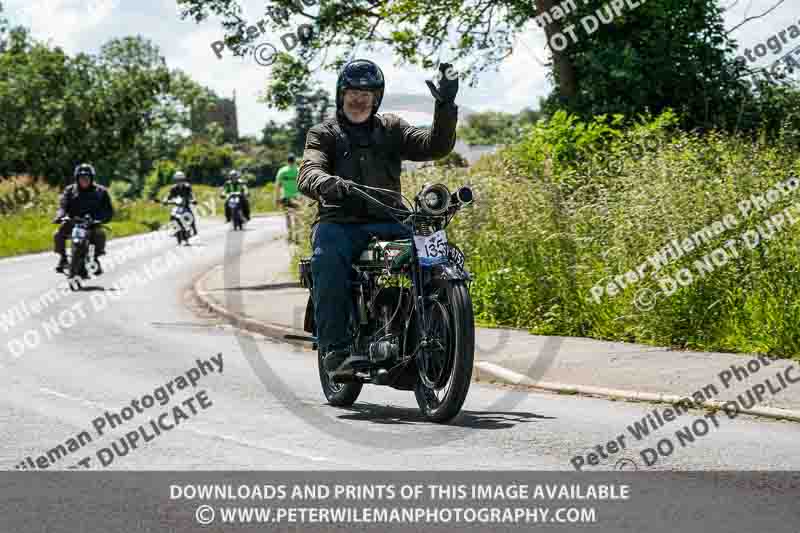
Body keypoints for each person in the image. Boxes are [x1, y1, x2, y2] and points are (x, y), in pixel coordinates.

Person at [298, 58, 459, 379]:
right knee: (327, 259)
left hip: (389, 220)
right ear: (341, 95)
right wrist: (325, 182)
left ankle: (434, 326)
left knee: (433, 250)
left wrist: (445, 105)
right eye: (353, 92)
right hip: (339, 223)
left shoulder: (392, 129)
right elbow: (308, 170)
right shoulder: (324, 133)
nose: (359, 99)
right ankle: (337, 351)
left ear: (377, 98)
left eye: (367, 93)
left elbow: (435, 145)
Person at [53, 163, 114, 275]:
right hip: (73, 222)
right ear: (77, 178)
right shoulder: (70, 190)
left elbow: (108, 210)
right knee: (58, 234)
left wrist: (100, 219)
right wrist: (60, 216)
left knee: (100, 234)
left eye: (87, 177)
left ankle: (94, 258)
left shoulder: (101, 192)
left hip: (92, 223)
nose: (84, 180)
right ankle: (63, 258)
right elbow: (63, 206)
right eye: (81, 177)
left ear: (91, 178)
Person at [163, 171, 198, 236]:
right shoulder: (173, 188)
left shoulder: (187, 186)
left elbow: (191, 194)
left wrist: (193, 200)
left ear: (184, 180)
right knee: (172, 216)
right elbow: (168, 195)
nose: (179, 181)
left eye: (181, 180)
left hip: (185, 205)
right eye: (177, 180)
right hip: (177, 205)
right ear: (175, 181)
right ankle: (175, 229)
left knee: (190, 214)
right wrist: (165, 200)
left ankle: (193, 228)